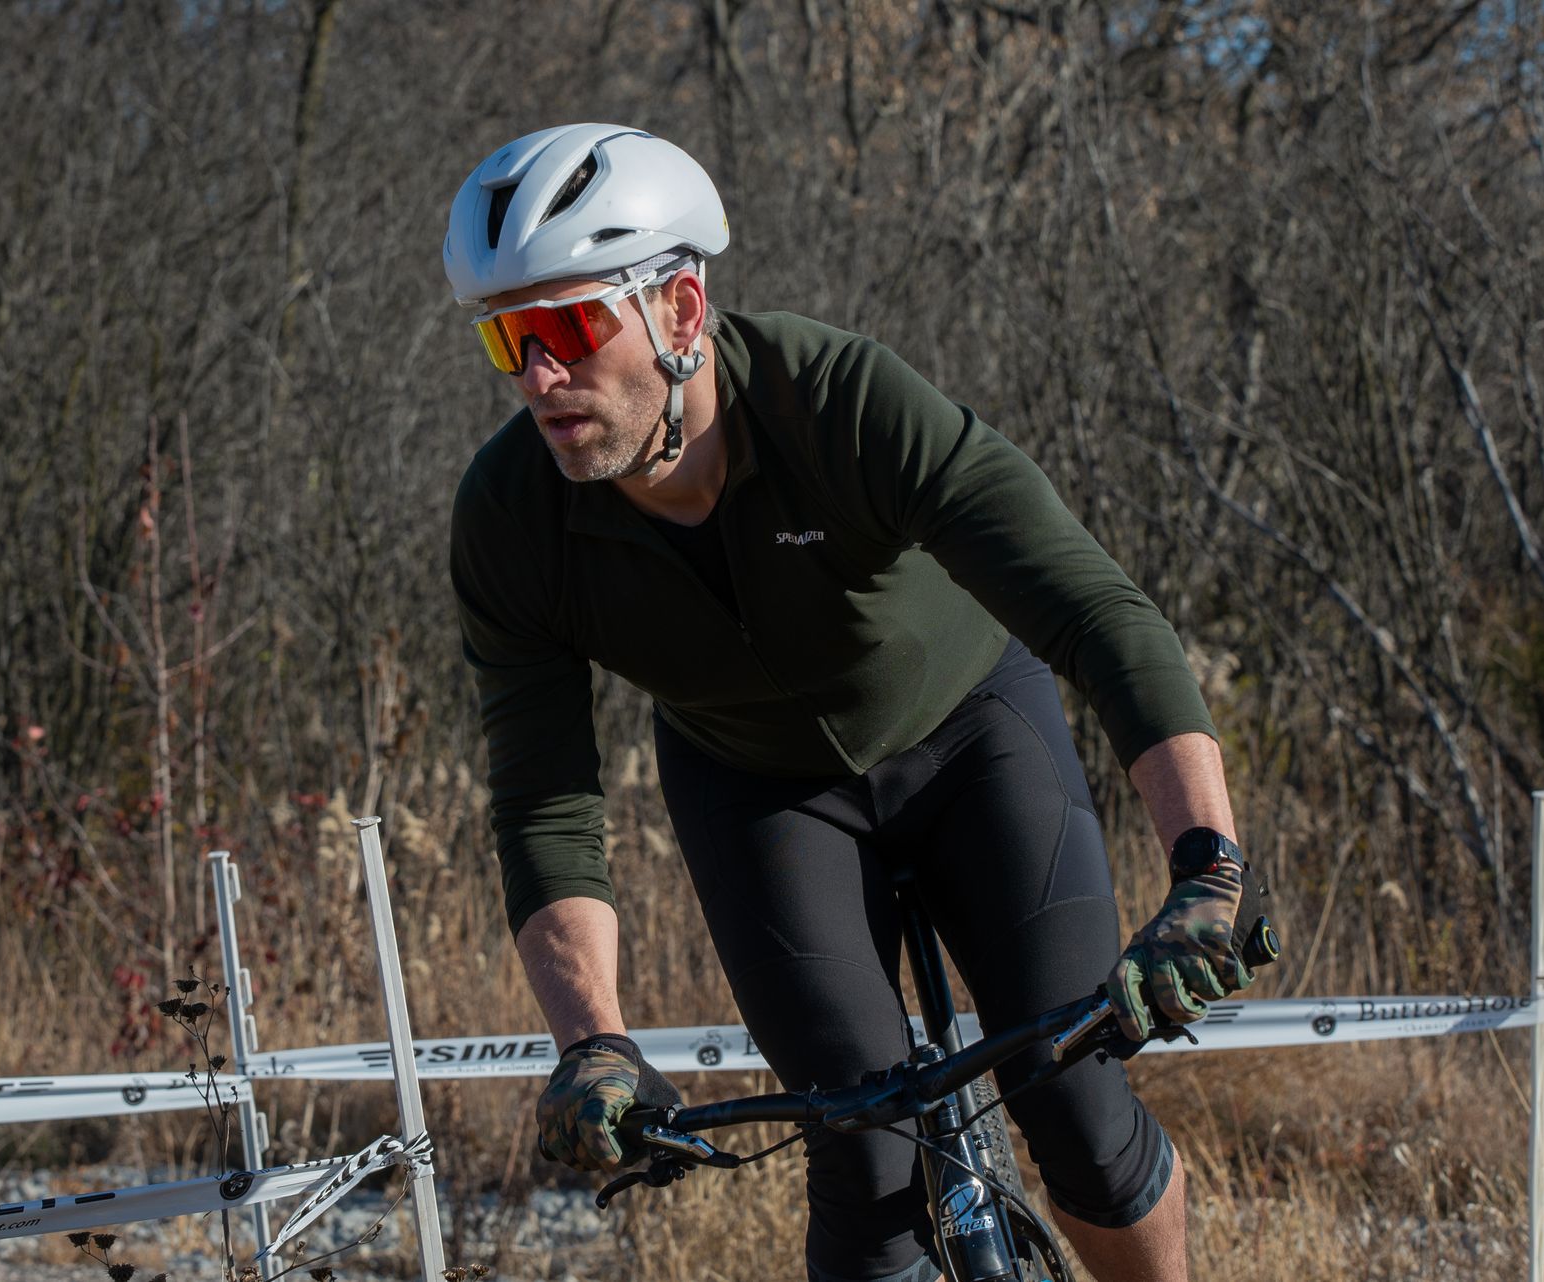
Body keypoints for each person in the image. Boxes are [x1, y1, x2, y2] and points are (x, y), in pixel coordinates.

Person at [444, 123, 1253, 1282]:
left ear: (681, 309)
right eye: (505, 337)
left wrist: (1208, 866)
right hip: (762, 792)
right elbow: (544, 801)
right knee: (862, 1145)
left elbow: (1096, 613)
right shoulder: (511, 517)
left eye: (568, 327)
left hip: (973, 734)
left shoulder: (840, 400)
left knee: (1072, 1099)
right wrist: (594, 1046)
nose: (538, 376)